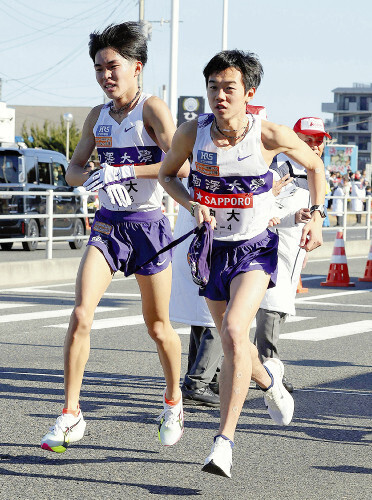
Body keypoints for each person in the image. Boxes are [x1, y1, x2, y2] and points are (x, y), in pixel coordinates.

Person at [159, 49, 325, 478]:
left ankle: (224, 443)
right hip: (214, 250)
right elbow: (166, 175)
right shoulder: (192, 133)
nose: (219, 96)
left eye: (229, 88)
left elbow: (315, 164)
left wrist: (319, 217)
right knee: (233, 341)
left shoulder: (268, 135)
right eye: (212, 87)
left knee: (235, 330)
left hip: (255, 248)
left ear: (249, 93)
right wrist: (193, 202)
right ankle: (269, 383)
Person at [41, 22, 188, 453]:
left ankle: (173, 401)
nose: (106, 75)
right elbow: (71, 170)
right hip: (107, 224)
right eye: (99, 68)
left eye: (114, 66)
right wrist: (91, 175)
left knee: (158, 327)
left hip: (147, 225)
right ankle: (71, 414)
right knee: (81, 313)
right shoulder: (97, 115)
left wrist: (124, 170)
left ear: (136, 67)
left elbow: (177, 166)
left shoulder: (154, 109)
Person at [255, 117, 330, 393]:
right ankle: (268, 367)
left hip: (294, 251)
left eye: (319, 140)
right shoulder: (278, 167)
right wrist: (289, 216)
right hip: (269, 249)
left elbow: (317, 211)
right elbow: (262, 207)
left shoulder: (318, 173)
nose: (314, 145)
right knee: (271, 307)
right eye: (308, 139)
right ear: (294, 139)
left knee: (279, 307)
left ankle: (254, 364)